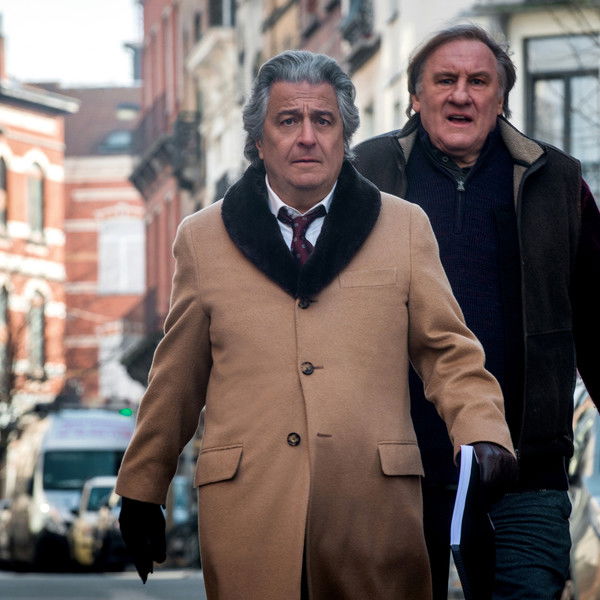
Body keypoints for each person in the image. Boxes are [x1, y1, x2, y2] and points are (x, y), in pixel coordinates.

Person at [116, 49, 517, 600]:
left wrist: (482, 431)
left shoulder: (403, 227)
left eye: (323, 121)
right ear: (259, 141)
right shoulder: (203, 238)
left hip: (372, 517)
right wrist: (143, 486)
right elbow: (177, 378)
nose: (307, 137)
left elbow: (448, 353)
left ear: (344, 136)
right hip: (251, 517)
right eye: (288, 120)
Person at [353, 24, 600, 600]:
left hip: (526, 469)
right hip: (393, 471)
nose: (461, 95)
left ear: (502, 98)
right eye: (445, 80)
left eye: (478, 81)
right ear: (415, 96)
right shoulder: (362, 175)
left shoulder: (557, 181)